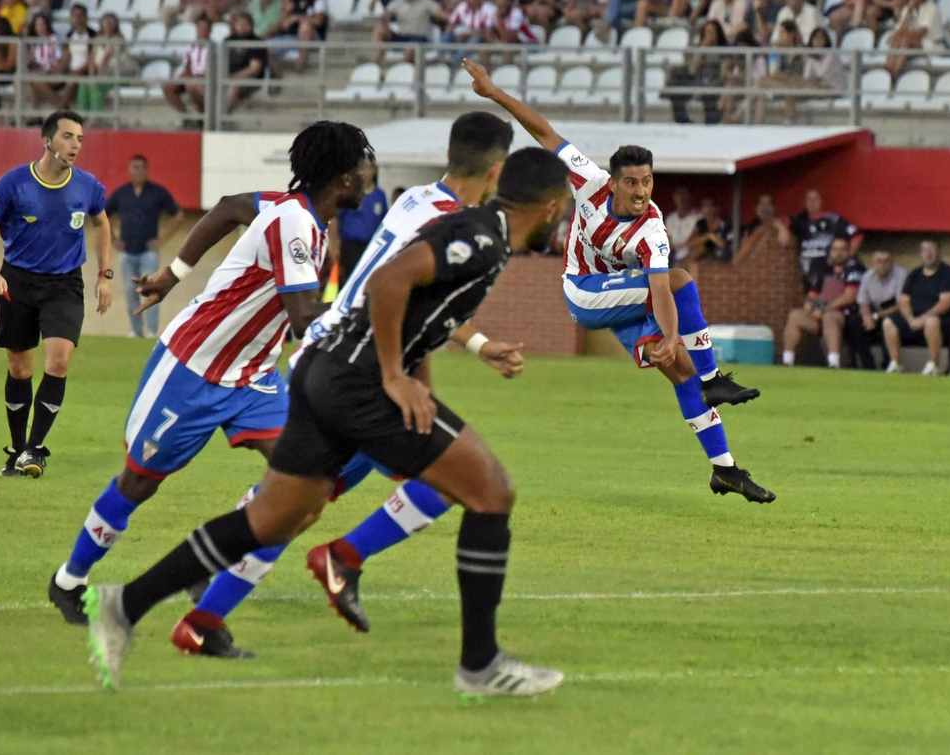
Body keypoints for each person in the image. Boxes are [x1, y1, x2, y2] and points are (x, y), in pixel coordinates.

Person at [82, 147, 573, 696]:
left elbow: (416, 307)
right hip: (356, 383)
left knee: (271, 520)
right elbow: (389, 283)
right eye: (567, 211)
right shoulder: (482, 238)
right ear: (551, 208)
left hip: (323, 369)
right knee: (491, 491)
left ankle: (123, 606)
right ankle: (479, 665)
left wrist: (443, 361)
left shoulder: (476, 228)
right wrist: (393, 374)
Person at [50, 122, 369, 630]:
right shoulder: (293, 225)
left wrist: (170, 274)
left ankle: (219, 553)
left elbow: (228, 207)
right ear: (343, 178)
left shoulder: (291, 210)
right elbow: (305, 318)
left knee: (305, 473)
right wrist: (380, 310)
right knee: (138, 482)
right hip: (193, 367)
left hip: (254, 377)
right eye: (362, 166)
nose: (368, 174)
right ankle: (69, 579)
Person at [465, 58, 776, 502]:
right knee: (682, 279)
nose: (641, 191)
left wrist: (670, 339)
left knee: (680, 369)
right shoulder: (587, 182)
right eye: (631, 182)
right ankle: (713, 379)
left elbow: (657, 286)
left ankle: (724, 469)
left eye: (647, 181)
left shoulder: (652, 227)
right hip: (582, 292)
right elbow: (545, 132)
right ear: (612, 183)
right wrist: (494, 93)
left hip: (621, 298)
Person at [0, 111, 113, 478]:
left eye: (80, 138)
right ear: (47, 141)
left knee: (59, 361)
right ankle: (16, 451)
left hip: (65, 284)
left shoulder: (88, 185)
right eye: (67, 137)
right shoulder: (14, 183)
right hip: (17, 282)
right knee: (20, 367)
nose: (75, 145)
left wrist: (104, 274)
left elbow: (102, 221)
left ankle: (34, 451)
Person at [105, 156, 183, 338]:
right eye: (135, 167)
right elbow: (102, 215)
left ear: (147, 170)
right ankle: (135, 330)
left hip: (149, 252)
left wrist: (162, 239)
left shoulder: (157, 192)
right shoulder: (121, 193)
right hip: (126, 252)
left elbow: (178, 216)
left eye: (142, 168)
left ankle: (151, 331)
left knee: (152, 291)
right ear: (130, 170)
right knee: (130, 292)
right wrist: (113, 239)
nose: (138, 171)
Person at [881, 239, 950, 376]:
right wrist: (910, 319)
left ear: (939, 253)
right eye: (925, 250)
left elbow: (946, 303)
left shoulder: (949, 274)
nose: (928, 254)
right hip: (915, 320)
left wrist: (924, 318)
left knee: (932, 321)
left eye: (931, 250)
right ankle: (895, 363)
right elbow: (903, 301)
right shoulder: (915, 274)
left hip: (945, 321)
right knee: (888, 322)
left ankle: (933, 365)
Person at [783, 237, 867, 369]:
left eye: (842, 249)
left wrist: (824, 309)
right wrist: (809, 309)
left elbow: (849, 296)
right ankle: (787, 361)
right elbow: (813, 294)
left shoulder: (855, 268)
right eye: (835, 249)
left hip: (845, 315)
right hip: (820, 313)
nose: (838, 253)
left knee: (830, 317)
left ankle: (834, 362)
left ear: (849, 252)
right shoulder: (823, 269)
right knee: (795, 315)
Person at [334, 159, 390, 285]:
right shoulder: (351, 193)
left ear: (374, 171)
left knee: (366, 281)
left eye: (369, 168)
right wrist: (335, 245)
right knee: (348, 280)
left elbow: (384, 222)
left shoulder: (379, 195)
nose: (365, 172)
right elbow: (337, 219)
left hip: (370, 246)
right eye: (362, 169)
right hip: (350, 245)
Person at [788, 189, 861, 275]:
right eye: (809, 200)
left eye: (815, 199)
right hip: (807, 272)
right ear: (804, 203)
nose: (812, 203)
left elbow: (857, 236)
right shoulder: (799, 220)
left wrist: (845, 260)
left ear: (820, 202)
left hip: (828, 272)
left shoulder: (833, 219)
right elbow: (779, 221)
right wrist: (781, 229)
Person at [856, 249, 907, 368]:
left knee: (888, 322)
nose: (882, 265)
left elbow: (901, 304)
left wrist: (876, 316)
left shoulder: (901, 275)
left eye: (886, 261)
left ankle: (889, 363)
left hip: (895, 311)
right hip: (876, 311)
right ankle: (867, 365)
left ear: (892, 263)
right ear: (873, 264)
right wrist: (867, 316)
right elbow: (863, 302)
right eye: (879, 261)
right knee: (855, 323)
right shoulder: (867, 276)